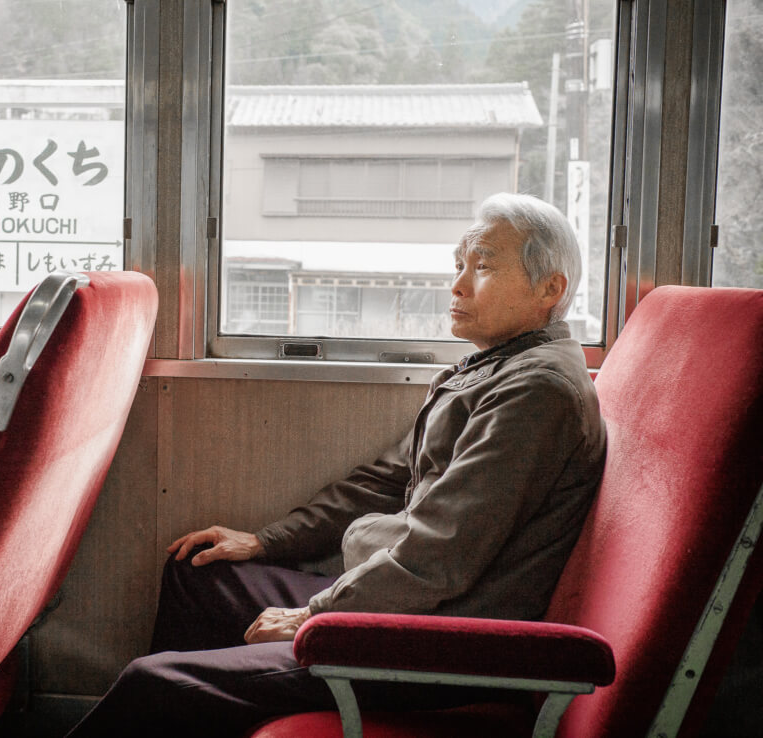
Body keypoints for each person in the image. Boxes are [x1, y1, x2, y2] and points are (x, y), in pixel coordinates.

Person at [66, 193, 607, 738]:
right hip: (404, 603)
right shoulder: (494, 369)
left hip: (438, 641)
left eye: (482, 266)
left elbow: (439, 558)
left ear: (550, 289)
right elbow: (384, 481)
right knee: (197, 572)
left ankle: (190, 699)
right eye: (459, 265)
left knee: (153, 683)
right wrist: (266, 541)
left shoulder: (537, 392)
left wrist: (313, 616)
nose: (458, 285)